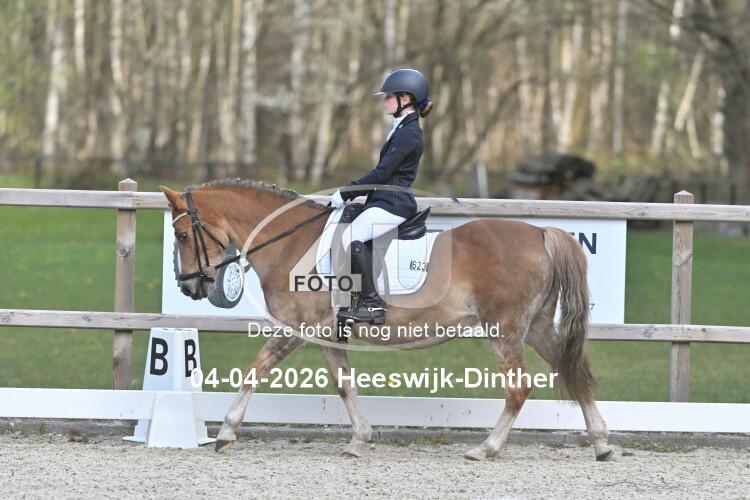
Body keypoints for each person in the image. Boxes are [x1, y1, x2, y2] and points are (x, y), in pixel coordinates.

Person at [331, 68, 433, 325]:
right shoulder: (402, 128)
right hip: (385, 201)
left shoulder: (409, 133)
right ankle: (354, 299)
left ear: (405, 99)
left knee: (351, 237)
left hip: (394, 204)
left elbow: (382, 173)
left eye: (389, 96)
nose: (385, 100)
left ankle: (372, 305)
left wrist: (347, 192)